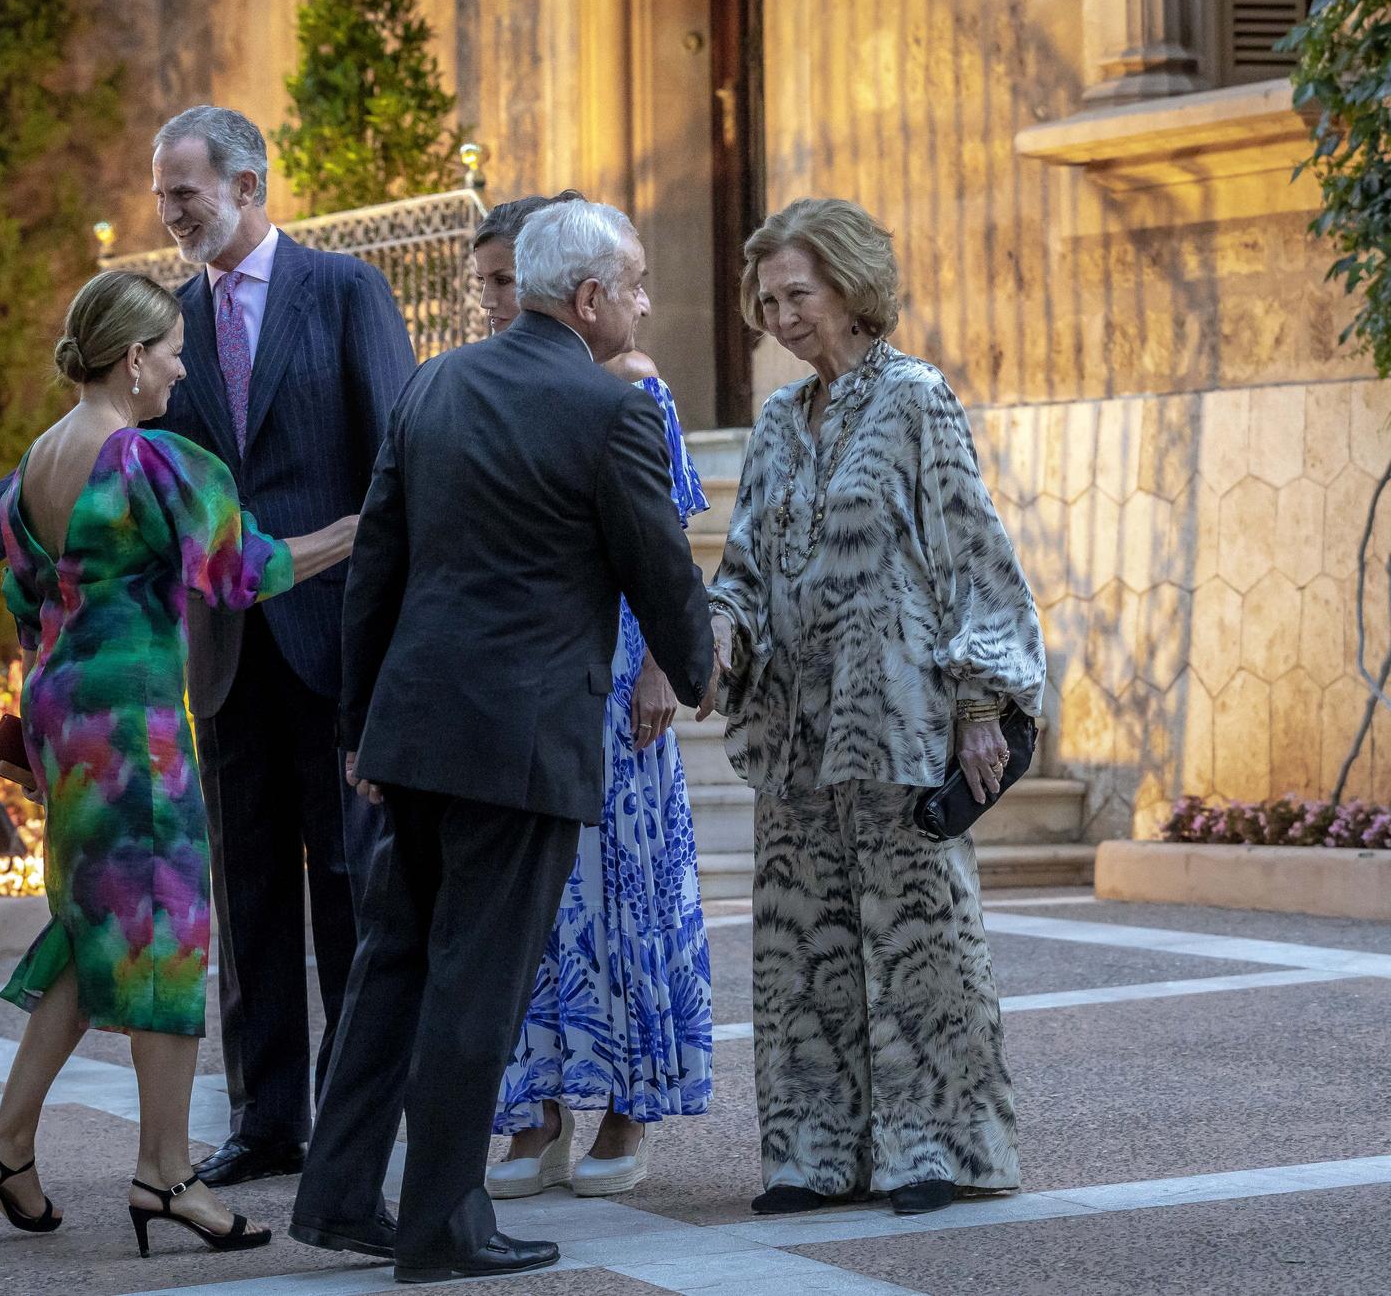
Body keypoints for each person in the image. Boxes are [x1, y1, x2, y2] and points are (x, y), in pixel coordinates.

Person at [0, 106, 416, 1188]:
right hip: (218, 653)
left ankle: (354, 1116)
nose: (168, 210)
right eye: (160, 192)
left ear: (248, 181)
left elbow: (397, 457)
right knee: (242, 900)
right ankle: (264, 1121)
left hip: (335, 641)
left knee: (349, 888)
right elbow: (77, 463)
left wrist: (393, 611)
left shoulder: (342, 293)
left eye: (184, 190)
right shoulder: (161, 331)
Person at [289, 199, 721, 1284]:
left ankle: (338, 1195)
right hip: (523, 746)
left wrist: (359, 725)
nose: (640, 303)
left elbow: (376, 561)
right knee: (477, 984)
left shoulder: (434, 383)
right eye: (629, 283)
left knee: (391, 966)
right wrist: (705, 669)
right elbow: (656, 567)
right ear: (586, 299)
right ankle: (442, 1223)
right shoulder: (605, 407)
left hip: (416, 731)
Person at [709, 197, 1045, 1218]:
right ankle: (813, 1152)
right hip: (794, 730)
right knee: (796, 946)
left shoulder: (914, 400)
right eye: (764, 300)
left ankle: (937, 1146)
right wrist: (717, 636)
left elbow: (971, 551)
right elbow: (742, 569)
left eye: (796, 295)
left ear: (851, 288)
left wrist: (982, 700)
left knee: (919, 941)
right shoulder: (774, 422)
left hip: (898, 717)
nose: (779, 316)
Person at [467, 196, 714, 1201]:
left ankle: (625, 1104)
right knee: (536, 901)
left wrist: (661, 663)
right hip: (525, 678)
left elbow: (669, 549)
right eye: (481, 282)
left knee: (623, 899)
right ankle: (534, 1113)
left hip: (618, 680)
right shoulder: (487, 386)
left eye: (498, 280)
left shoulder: (634, 390)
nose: (488, 300)